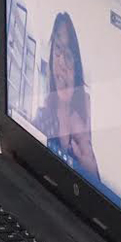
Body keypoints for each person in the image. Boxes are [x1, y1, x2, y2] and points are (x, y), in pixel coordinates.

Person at [33, 12, 100, 181]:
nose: (61, 63)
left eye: (69, 55)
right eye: (57, 49)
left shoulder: (85, 112)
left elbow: (96, 182)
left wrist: (89, 166)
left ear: (77, 68)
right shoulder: (42, 118)